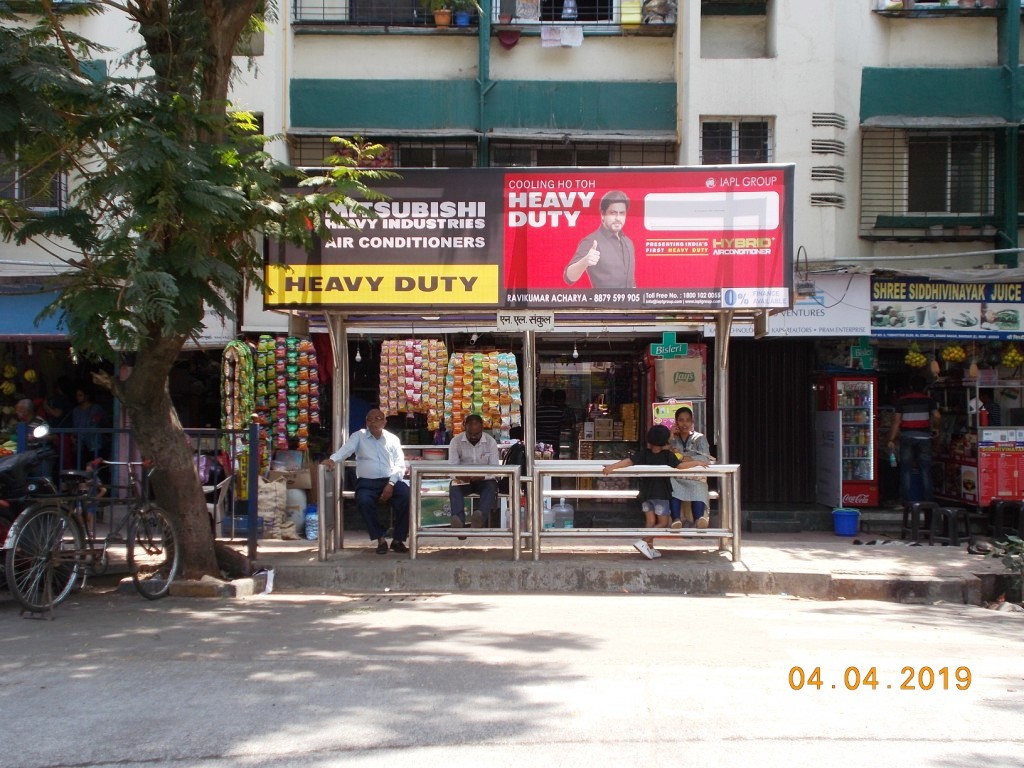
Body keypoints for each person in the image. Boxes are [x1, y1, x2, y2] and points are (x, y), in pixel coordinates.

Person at [602, 424, 710, 560]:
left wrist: (611, 467)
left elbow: (628, 461)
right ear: (665, 441)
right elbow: (681, 466)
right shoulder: (667, 455)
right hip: (661, 494)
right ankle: (644, 541)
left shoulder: (644, 454)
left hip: (645, 493)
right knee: (663, 523)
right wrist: (697, 463)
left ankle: (649, 548)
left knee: (650, 521)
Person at [320, 408, 410, 555]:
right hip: (367, 482)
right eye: (369, 419)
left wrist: (391, 484)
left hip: (389, 480)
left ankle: (398, 540)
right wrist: (332, 460)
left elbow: (399, 465)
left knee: (406, 496)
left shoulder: (393, 439)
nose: (373, 422)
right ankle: (380, 539)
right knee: (363, 500)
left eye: (377, 419)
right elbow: (346, 450)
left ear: (385, 421)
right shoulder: (359, 436)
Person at [563, 190, 636, 289]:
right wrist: (585, 261)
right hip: (603, 299)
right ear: (603, 214)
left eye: (622, 213)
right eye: (613, 213)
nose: (618, 218)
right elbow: (569, 277)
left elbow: (630, 281)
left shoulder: (628, 242)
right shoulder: (592, 241)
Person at [887, 376, 941, 505]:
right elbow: (937, 416)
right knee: (925, 469)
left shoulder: (902, 401)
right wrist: (937, 429)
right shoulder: (929, 400)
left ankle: (905, 501)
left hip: (907, 437)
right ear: (924, 388)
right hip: (924, 437)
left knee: (906, 469)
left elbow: (896, 422)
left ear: (910, 387)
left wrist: (891, 439)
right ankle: (928, 501)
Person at [448, 413, 501, 530]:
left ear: (482, 429)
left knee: (491, 486)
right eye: (470, 433)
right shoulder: (455, 442)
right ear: (464, 428)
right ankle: (458, 522)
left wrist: (482, 476)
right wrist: (460, 476)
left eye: (476, 434)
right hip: (463, 480)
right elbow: (452, 468)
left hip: (484, 481)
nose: (473, 437)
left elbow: (495, 469)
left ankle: (480, 517)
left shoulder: (491, 442)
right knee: (454, 486)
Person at [668, 406, 715, 529]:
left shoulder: (699, 438)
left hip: (695, 477)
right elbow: (665, 455)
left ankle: (699, 519)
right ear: (676, 422)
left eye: (688, 420)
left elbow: (705, 458)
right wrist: (670, 436)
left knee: (699, 487)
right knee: (672, 486)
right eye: (681, 420)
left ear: (692, 422)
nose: (685, 424)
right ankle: (676, 520)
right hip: (677, 476)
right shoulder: (672, 438)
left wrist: (687, 458)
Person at [71, 385, 107, 465]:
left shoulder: (96, 408)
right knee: (81, 465)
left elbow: (102, 422)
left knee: (95, 466)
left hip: (94, 443)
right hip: (80, 444)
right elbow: (74, 426)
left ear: (87, 396)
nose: (77, 397)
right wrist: (73, 437)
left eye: (80, 395)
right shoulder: (76, 410)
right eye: (77, 395)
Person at [536, 388, 563, 458]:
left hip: (540, 443)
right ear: (552, 398)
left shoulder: (536, 410)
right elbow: (562, 426)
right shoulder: (558, 411)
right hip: (554, 442)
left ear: (541, 398)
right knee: (554, 461)